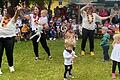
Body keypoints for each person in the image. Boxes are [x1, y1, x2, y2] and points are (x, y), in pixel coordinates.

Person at [0, 6, 22, 74]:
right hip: (0, 38)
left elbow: (16, 15)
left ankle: (11, 66)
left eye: (6, 11)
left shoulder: (13, 19)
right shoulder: (2, 18)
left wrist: (18, 11)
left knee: (9, 53)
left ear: (10, 12)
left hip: (9, 38)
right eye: (4, 11)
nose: (5, 12)